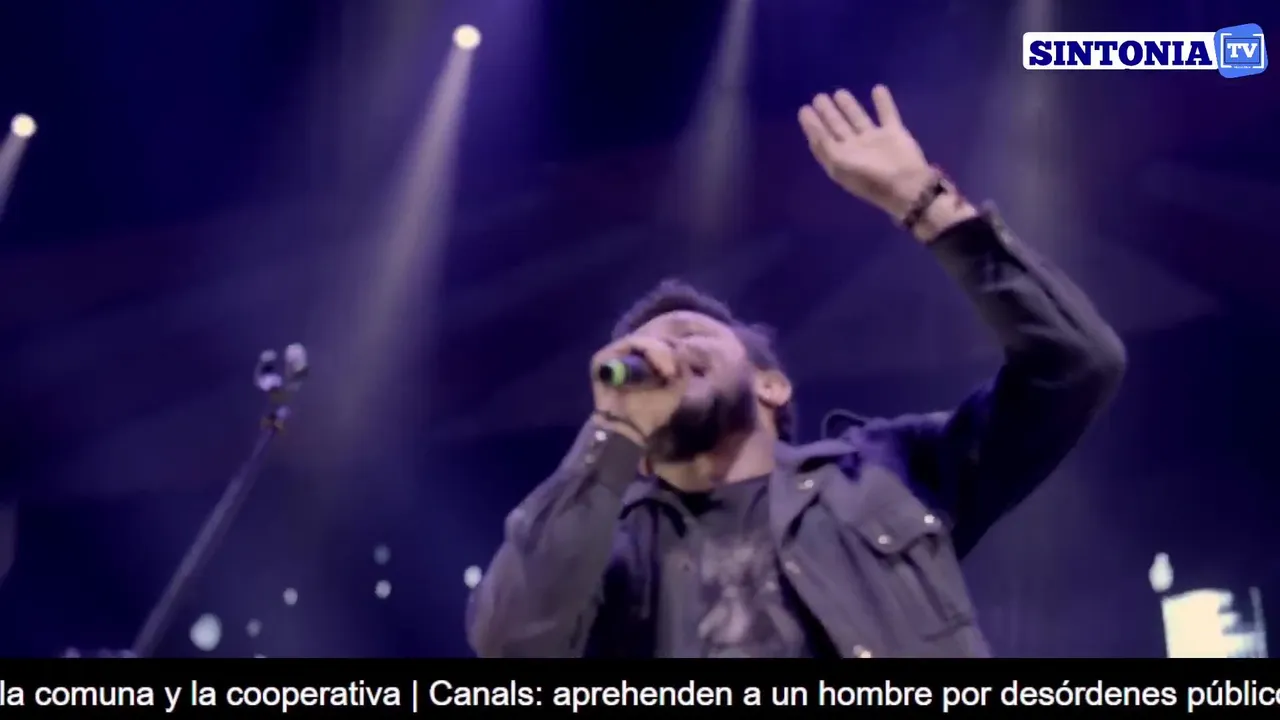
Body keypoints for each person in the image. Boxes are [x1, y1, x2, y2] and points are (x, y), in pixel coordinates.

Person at [466, 85, 1126, 658]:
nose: (664, 354)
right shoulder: (612, 545)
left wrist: (929, 205)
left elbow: (1076, 364)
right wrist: (611, 433)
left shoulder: (892, 471)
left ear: (771, 385)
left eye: (690, 336)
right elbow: (511, 641)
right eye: (644, 351)